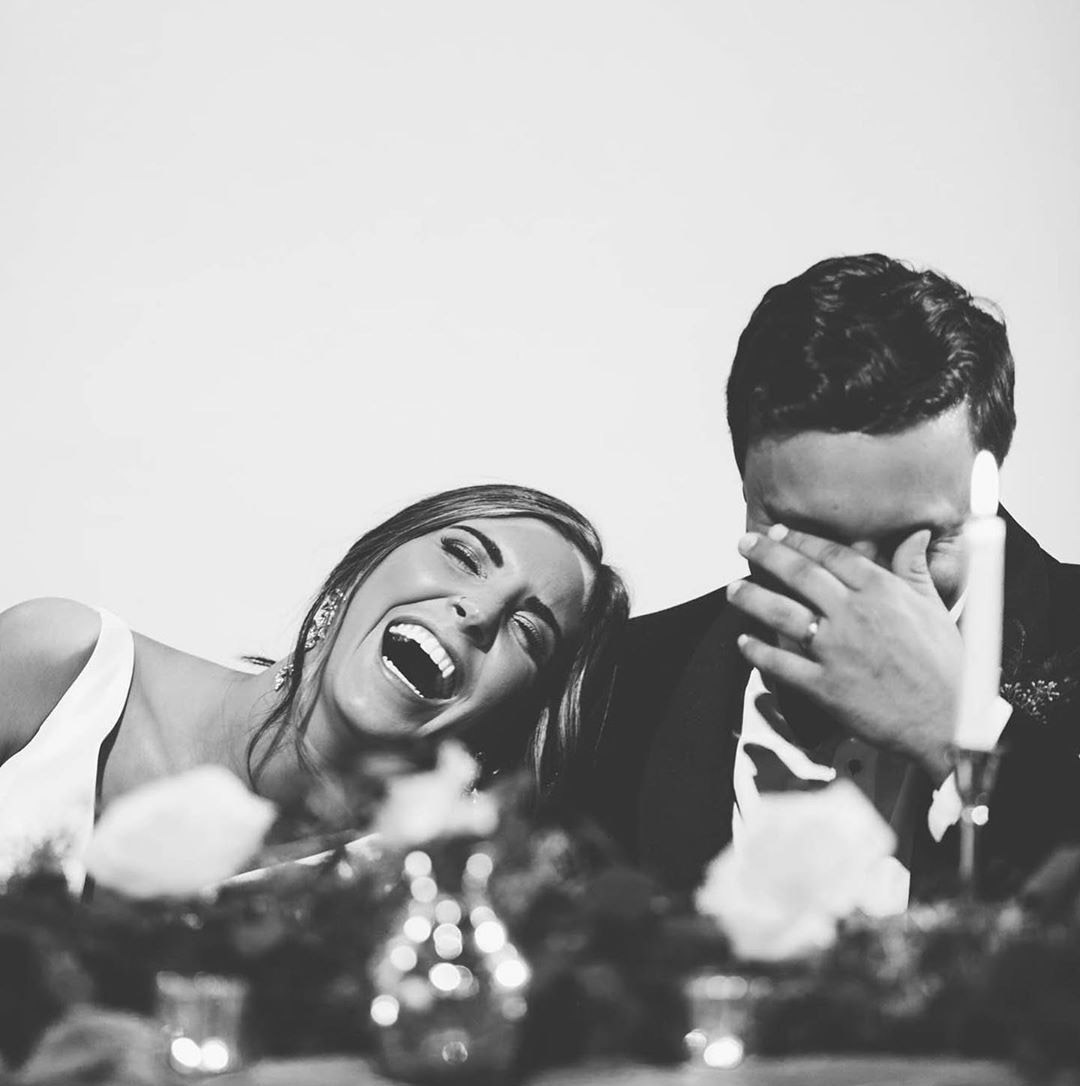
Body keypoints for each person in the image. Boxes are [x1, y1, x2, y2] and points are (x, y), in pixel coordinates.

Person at [573, 253, 1080, 900]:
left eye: (917, 540)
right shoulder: (615, 684)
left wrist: (961, 730)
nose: (861, 594)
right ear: (746, 488)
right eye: (814, 539)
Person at [0, 483, 629, 891]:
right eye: (464, 557)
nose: (477, 611)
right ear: (353, 578)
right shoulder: (63, 665)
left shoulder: (412, 893)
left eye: (527, 630)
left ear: (502, 722)